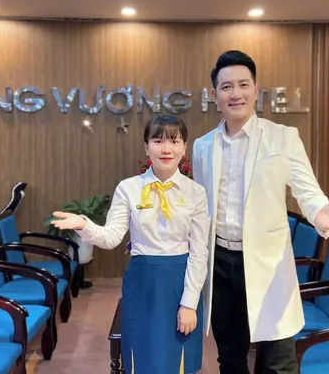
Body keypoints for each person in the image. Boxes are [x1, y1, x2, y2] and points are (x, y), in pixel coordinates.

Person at [192, 50, 329, 374]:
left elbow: (307, 190)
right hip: (220, 262)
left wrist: (319, 210)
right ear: (215, 95)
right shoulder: (202, 146)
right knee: (230, 356)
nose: (236, 93)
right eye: (226, 87)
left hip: (267, 262)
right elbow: (201, 206)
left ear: (256, 90)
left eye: (243, 84)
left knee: (278, 360)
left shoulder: (283, 137)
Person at [51, 115, 210, 374]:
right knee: (143, 358)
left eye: (174, 141)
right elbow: (112, 237)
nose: (166, 149)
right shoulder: (128, 189)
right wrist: (84, 225)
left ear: (184, 147)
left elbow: (200, 252)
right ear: (146, 147)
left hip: (180, 283)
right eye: (157, 141)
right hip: (142, 283)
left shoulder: (196, 193)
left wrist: (189, 303)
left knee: (177, 360)